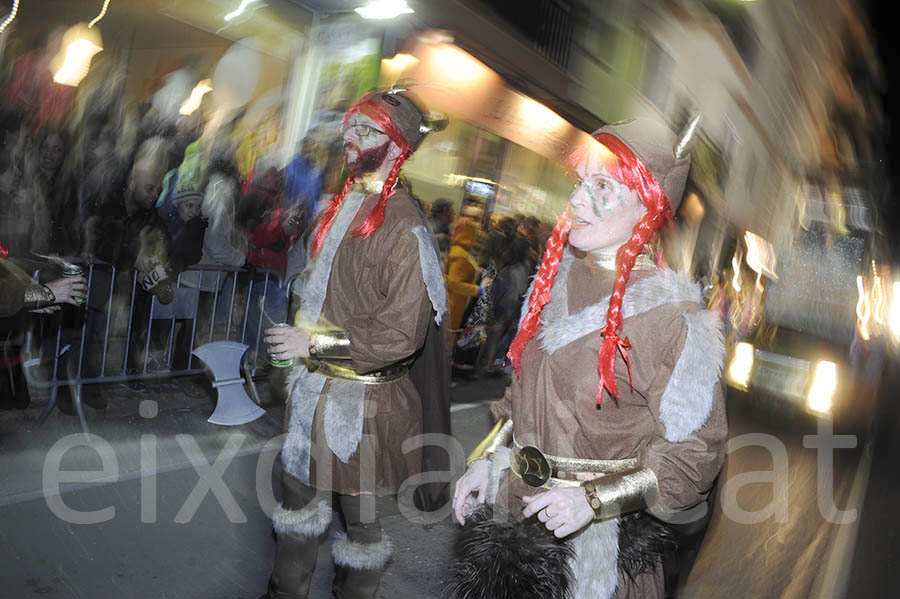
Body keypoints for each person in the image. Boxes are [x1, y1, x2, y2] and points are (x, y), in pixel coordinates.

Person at [451, 117, 727, 599]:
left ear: (648, 203)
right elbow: (522, 397)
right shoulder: (551, 284)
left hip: (596, 553)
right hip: (515, 520)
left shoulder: (671, 319)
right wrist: (489, 461)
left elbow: (694, 456)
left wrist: (595, 500)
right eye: (581, 183)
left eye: (602, 186)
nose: (577, 200)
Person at [259, 90, 451, 599]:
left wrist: (312, 344)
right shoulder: (344, 205)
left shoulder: (406, 228)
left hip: (365, 409)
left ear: (396, 145)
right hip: (312, 396)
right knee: (297, 509)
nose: (349, 139)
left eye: (365, 131)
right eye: (350, 128)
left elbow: (400, 334)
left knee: (360, 527)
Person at [445, 218, 486, 350]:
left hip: (454, 304)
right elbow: (454, 283)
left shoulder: (458, 251)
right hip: (453, 305)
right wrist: (477, 289)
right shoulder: (460, 256)